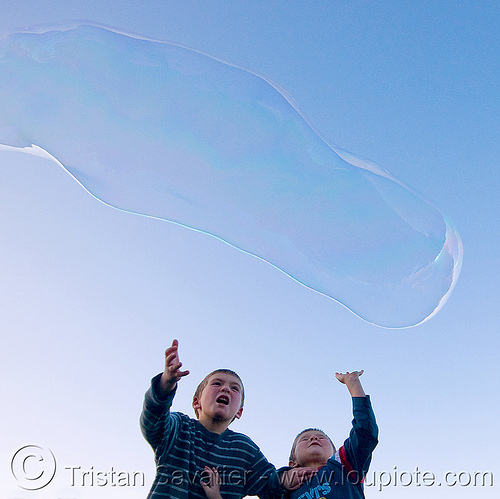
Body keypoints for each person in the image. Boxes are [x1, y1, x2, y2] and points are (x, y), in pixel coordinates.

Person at [140, 339, 314, 499]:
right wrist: (166, 383)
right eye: (217, 383)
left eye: (234, 388)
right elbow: (153, 419)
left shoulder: (244, 449)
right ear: (196, 402)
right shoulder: (180, 428)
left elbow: (269, 484)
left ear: (239, 411)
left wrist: (284, 479)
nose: (226, 389)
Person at [201, 371, 378, 499]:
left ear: (334, 453)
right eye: (305, 439)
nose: (314, 438)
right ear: (292, 462)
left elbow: (365, 433)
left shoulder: (344, 466)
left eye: (320, 437)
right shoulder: (285, 492)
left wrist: (353, 384)